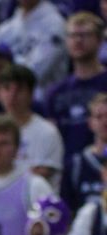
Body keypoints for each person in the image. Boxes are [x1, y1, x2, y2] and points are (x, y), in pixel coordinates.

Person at [45, 11, 107, 161]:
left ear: (99, 40)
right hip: (68, 169)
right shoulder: (55, 92)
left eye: (85, 35)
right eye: (72, 35)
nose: (78, 40)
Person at [0, 64, 65, 190]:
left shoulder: (47, 132)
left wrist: (3, 175)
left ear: (31, 94)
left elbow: (42, 175)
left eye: (19, 89)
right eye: (7, 88)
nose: (12, 95)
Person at [0, 0, 68, 96]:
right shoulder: (6, 28)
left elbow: (36, 71)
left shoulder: (55, 24)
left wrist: (3, 69)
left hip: (43, 100)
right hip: (6, 98)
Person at [61, 93, 107, 213]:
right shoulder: (75, 165)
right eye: (99, 116)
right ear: (90, 123)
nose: (105, 121)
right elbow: (67, 210)